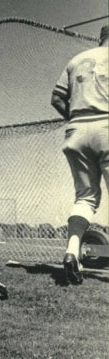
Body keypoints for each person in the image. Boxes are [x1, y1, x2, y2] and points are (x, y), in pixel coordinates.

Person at [50, 25, 109, 284]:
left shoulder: (76, 60)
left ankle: (72, 252)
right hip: (107, 126)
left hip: (76, 130)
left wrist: (76, 120)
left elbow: (56, 98)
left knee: (85, 197)